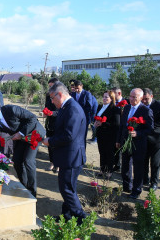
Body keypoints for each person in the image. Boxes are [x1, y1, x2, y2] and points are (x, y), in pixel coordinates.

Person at [42, 82, 88, 225]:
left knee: (66, 189)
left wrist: (51, 141)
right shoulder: (66, 107)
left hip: (72, 157)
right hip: (68, 156)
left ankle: (81, 219)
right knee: (69, 188)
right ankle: (67, 216)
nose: (51, 101)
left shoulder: (72, 109)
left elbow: (69, 135)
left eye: (52, 97)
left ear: (60, 94)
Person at [116, 88, 154, 199]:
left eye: (134, 97)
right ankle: (127, 186)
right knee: (125, 166)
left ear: (141, 98)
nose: (131, 99)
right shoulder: (127, 108)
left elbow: (150, 129)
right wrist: (118, 140)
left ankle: (136, 190)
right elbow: (122, 126)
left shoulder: (146, 111)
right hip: (125, 142)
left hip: (138, 144)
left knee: (138, 168)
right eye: (130, 96)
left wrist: (137, 133)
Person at [142, 88, 160, 191]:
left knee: (155, 162)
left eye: (146, 99)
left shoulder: (159, 105)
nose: (144, 101)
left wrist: (150, 127)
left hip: (156, 138)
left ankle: (154, 183)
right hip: (144, 138)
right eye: (142, 99)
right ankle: (144, 179)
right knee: (144, 160)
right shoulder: (141, 105)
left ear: (151, 96)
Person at [94, 90, 120, 178]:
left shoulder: (115, 109)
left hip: (110, 135)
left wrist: (103, 123)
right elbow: (97, 117)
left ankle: (109, 171)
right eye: (104, 96)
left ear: (112, 98)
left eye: (107, 97)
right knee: (102, 152)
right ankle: (102, 170)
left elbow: (116, 124)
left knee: (109, 153)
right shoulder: (100, 106)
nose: (104, 98)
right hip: (100, 134)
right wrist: (96, 123)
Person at [111, 87, 129, 172]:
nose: (112, 95)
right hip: (115, 129)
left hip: (124, 129)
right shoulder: (112, 103)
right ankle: (117, 164)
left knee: (124, 149)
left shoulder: (127, 103)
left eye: (113, 93)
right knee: (116, 147)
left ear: (119, 93)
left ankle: (124, 167)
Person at [71, 80, 93, 147]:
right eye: (75, 88)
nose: (76, 90)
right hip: (74, 119)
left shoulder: (87, 94)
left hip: (84, 118)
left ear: (81, 86)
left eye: (78, 88)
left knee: (82, 137)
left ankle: (82, 153)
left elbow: (89, 106)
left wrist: (79, 112)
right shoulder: (72, 94)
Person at [44, 77, 60, 173]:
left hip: (58, 123)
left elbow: (62, 111)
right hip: (49, 123)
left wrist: (52, 113)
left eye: (51, 86)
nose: (50, 88)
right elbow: (46, 106)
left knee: (57, 145)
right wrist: (45, 112)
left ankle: (58, 165)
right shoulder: (48, 95)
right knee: (50, 143)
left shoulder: (61, 95)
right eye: (49, 86)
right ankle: (52, 162)